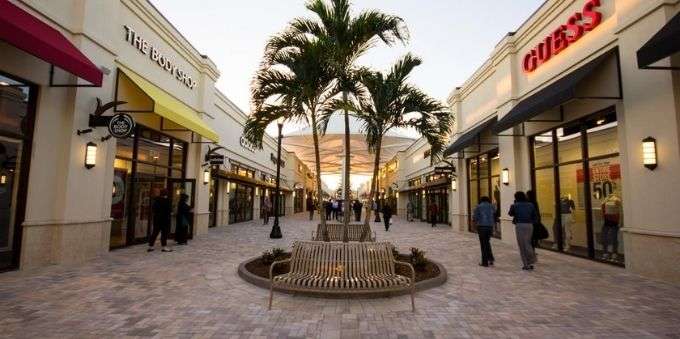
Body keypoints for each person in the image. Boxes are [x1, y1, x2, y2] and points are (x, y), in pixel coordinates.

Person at [509, 191, 538, 270]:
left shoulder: (515, 205)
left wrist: (513, 206)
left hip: (520, 225)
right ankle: (531, 259)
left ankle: (526, 264)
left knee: (522, 245)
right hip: (529, 225)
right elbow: (535, 216)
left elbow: (510, 214)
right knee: (527, 242)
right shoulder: (531, 205)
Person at [473, 196, 496, 267]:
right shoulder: (492, 206)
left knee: (483, 244)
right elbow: (494, 213)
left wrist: (474, 225)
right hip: (490, 227)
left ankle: (485, 262)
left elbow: (475, 217)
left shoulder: (478, 207)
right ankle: (490, 258)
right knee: (487, 242)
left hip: (482, 227)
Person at [148, 188, 172, 252]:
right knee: (164, 234)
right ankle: (164, 247)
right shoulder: (167, 201)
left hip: (157, 219)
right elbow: (169, 210)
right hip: (165, 220)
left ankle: (151, 246)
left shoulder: (156, 200)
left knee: (155, 233)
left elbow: (153, 209)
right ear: (166, 194)